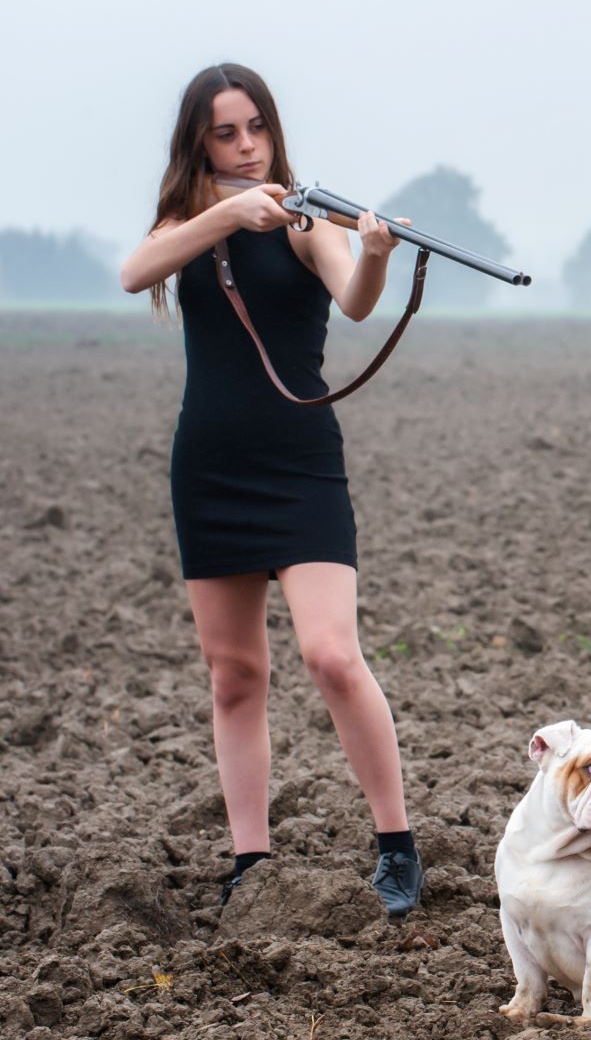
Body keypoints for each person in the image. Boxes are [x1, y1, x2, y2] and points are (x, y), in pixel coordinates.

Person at [120, 64, 423, 917]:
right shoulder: (188, 223)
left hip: (300, 466)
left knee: (331, 654)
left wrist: (373, 252)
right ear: (199, 143)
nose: (248, 146)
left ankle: (397, 846)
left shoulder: (304, 218)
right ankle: (250, 860)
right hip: (209, 467)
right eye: (227, 133)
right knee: (233, 674)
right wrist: (226, 213)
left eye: (256, 127)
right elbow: (135, 272)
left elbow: (355, 302)